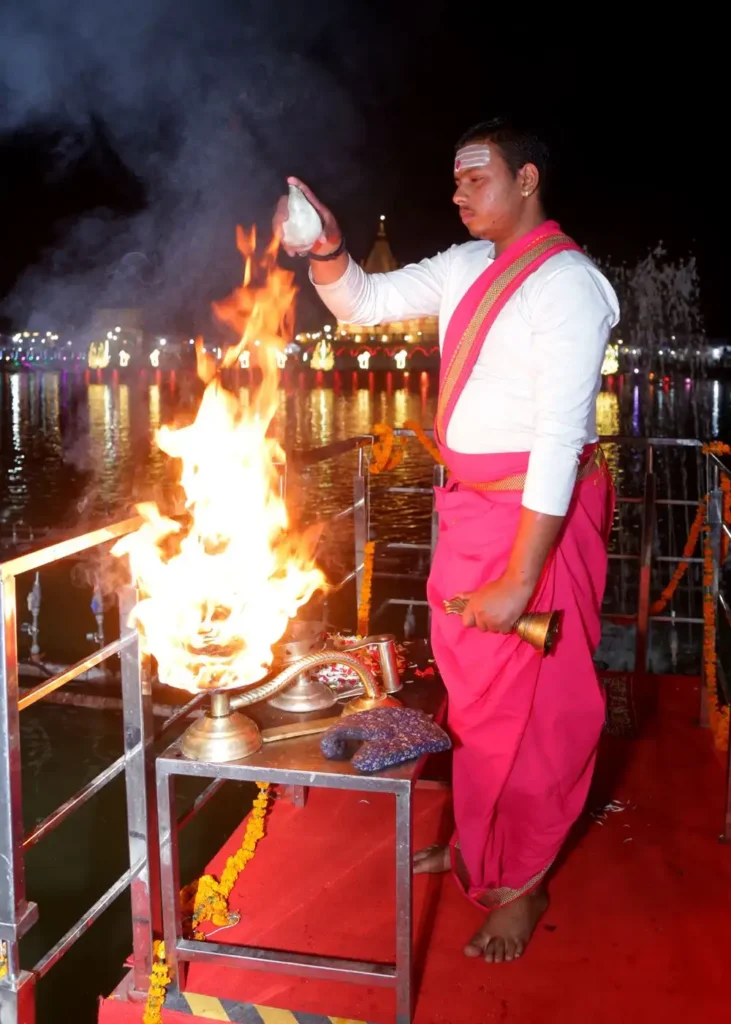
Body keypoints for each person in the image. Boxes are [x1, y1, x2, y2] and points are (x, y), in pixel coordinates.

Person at [273, 117, 619, 964]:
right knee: (476, 705)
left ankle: (521, 884)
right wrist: (328, 248)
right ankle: (474, 845)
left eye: (475, 178)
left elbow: (557, 439)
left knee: (537, 714)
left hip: (533, 526)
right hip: (470, 514)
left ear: (526, 179)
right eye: (456, 179)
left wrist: (519, 579)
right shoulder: (464, 265)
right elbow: (365, 303)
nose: (458, 193)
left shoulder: (568, 285)